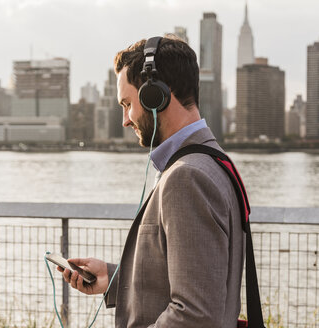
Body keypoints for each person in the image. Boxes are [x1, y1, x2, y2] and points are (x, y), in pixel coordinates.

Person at [57, 35, 245, 328]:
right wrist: (114, 278)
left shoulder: (187, 176)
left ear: (155, 96)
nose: (125, 120)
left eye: (127, 103)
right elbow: (199, 281)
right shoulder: (212, 162)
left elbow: (196, 315)